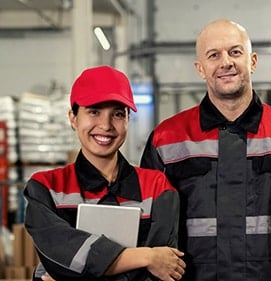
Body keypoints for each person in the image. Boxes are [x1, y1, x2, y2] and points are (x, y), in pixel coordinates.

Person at [140, 19, 271, 281]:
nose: (226, 62)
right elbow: (149, 230)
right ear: (200, 69)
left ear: (253, 61)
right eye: (214, 55)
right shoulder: (166, 140)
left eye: (235, 52)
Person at [23, 65, 186, 281]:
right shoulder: (45, 187)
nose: (106, 125)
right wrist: (146, 256)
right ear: (73, 118)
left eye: (117, 114)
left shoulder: (157, 187)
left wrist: (75, 271)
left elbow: (163, 269)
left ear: (128, 120)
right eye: (94, 112)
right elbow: (58, 255)